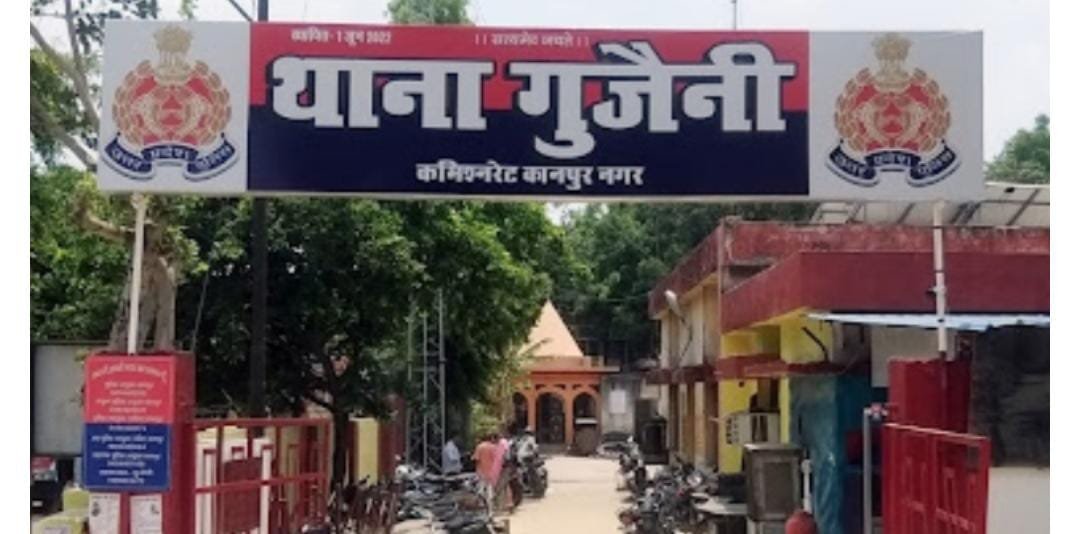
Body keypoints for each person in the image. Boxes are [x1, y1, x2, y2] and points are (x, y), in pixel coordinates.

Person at [472, 433, 500, 507]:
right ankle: (490, 508)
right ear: (491, 439)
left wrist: (477, 470)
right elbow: (497, 460)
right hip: (491, 472)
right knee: (490, 490)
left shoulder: (479, 447)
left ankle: (481, 496)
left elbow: (476, 459)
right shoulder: (494, 447)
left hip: (481, 472)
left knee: (482, 487)